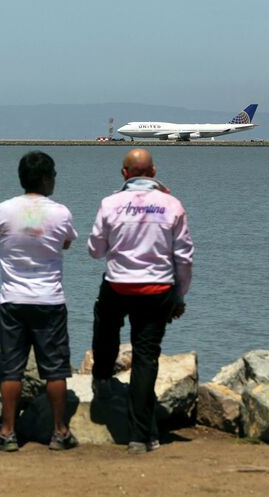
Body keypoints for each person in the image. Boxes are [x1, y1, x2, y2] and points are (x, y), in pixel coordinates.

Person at [88, 148, 194, 455]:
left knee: (106, 326)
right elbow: (184, 257)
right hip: (157, 288)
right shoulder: (171, 204)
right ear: (154, 171)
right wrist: (180, 294)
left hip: (118, 284)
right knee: (147, 357)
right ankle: (141, 436)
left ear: (124, 174)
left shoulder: (111, 203)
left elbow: (95, 250)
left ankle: (102, 378)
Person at [0, 151, 78, 452]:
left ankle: (7, 432)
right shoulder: (61, 212)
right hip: (49, 299)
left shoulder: (3, 209)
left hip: (13, 298)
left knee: (10, 368)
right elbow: (65, 241)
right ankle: (60, 431)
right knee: (55, 369)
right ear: (46, 178)